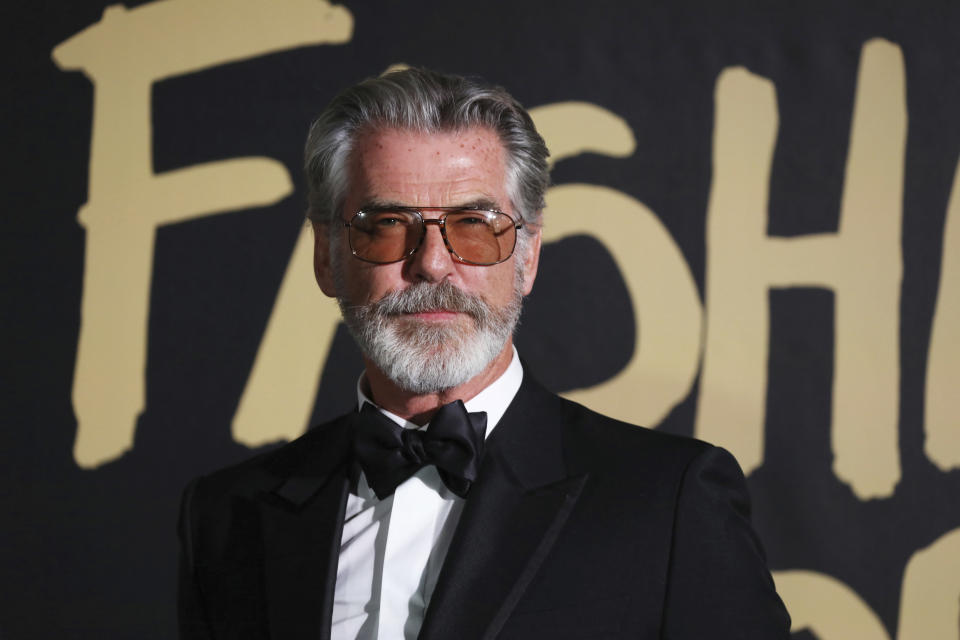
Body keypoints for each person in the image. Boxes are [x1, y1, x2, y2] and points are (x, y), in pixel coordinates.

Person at [178, 68, 791, 640]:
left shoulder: (669, 500)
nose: (433, 264)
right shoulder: (228, 516)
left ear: (527, 257)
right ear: (325, 257)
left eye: (474, 224)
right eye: (388, 223)